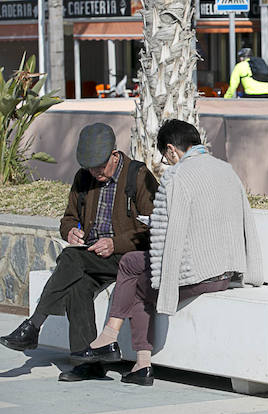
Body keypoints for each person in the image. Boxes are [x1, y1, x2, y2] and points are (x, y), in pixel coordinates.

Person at [74, 119, 264, 386]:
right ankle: (112, 340)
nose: (167, 162)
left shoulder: (177, 177)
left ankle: (137, 360)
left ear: (172, 149)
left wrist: (163, 281)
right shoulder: (227, 170)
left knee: (141, 287)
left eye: (165, 156)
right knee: (129, 261)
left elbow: (166, 235)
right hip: (226, 270)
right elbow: (245, 220)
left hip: (196, 274)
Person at [0, 123, 157, 382]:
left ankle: (33, 326)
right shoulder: (84, 177)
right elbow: (68, 219)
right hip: (92, 255)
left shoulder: (138, 176)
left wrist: (115, 244)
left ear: (114, 155)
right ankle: (88, 361)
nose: (96, 172)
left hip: (128, 257)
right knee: (77, 285)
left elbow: (152, 227)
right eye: (91, 167)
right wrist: (71, 231)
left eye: (100, 166)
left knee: (72, 258)